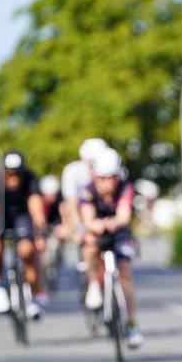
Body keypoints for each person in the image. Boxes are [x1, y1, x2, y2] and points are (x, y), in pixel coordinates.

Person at [79, 148, 143, 348]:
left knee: (125, 278)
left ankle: (132, 325)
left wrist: (114, 223)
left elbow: (124, 216)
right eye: (102, 178)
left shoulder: (125, 187)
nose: (107, 182)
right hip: (98, 233)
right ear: (95, 176)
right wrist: (96, 225)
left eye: (112, 177)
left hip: (119, 232)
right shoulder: (87, 190)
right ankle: (93, 285)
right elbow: (88, 219)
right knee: (89, 245)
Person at [0, 150, 48, 317]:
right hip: (1, 216)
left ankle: (31, 295)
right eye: (9, 175)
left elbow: (36, 207)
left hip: (21, 215)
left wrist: (40, 233)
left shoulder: (30, 178)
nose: (13, 179)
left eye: (17, 175)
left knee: (27, 250)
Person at [61, 138, 109, 244]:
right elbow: (72, 204)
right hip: (80, 213)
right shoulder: (72, 171)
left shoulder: (109, 172)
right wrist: (79, 228)